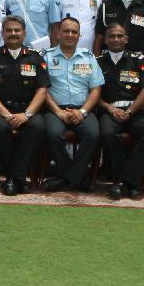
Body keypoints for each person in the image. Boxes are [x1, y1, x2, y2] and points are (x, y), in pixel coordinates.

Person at [0, 16, 48, 195]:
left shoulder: (35, 57)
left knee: (38, 127)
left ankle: (12, 179)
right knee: (0, 129)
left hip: (28, 110)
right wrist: (7, 115)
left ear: (24, 33)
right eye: (9, 30)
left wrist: (26, 115)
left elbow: (42, 90)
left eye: (17, 30)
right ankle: (19, 179)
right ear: (3, 34)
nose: (13, 34)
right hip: (0, 111)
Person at [96, 22, 144, 200]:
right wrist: (110, 108)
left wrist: (130, 111)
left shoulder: (138, 60)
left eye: (119, 36)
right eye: (112, 36)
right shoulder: (97, 62)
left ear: (126, 39)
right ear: (105, 40)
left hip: (134, 110)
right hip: (109, 111)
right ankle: (131, 184)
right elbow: (92, 93)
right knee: (107, 134)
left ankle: (122, 182)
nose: (116, 39)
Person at [42, 16, 103, 192]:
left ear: (79, 35)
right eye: (66, 31)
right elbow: (42, 89)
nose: (70, 35)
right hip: (55, 110)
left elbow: (96, 89)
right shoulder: (46, 57)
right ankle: (77, 178)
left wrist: (82, 112)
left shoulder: (88, 57)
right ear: (58, 34)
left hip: (82, 109)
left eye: (74, 32)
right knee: (52, 133)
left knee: (93, 134)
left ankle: (66, 178)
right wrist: (58, 112)